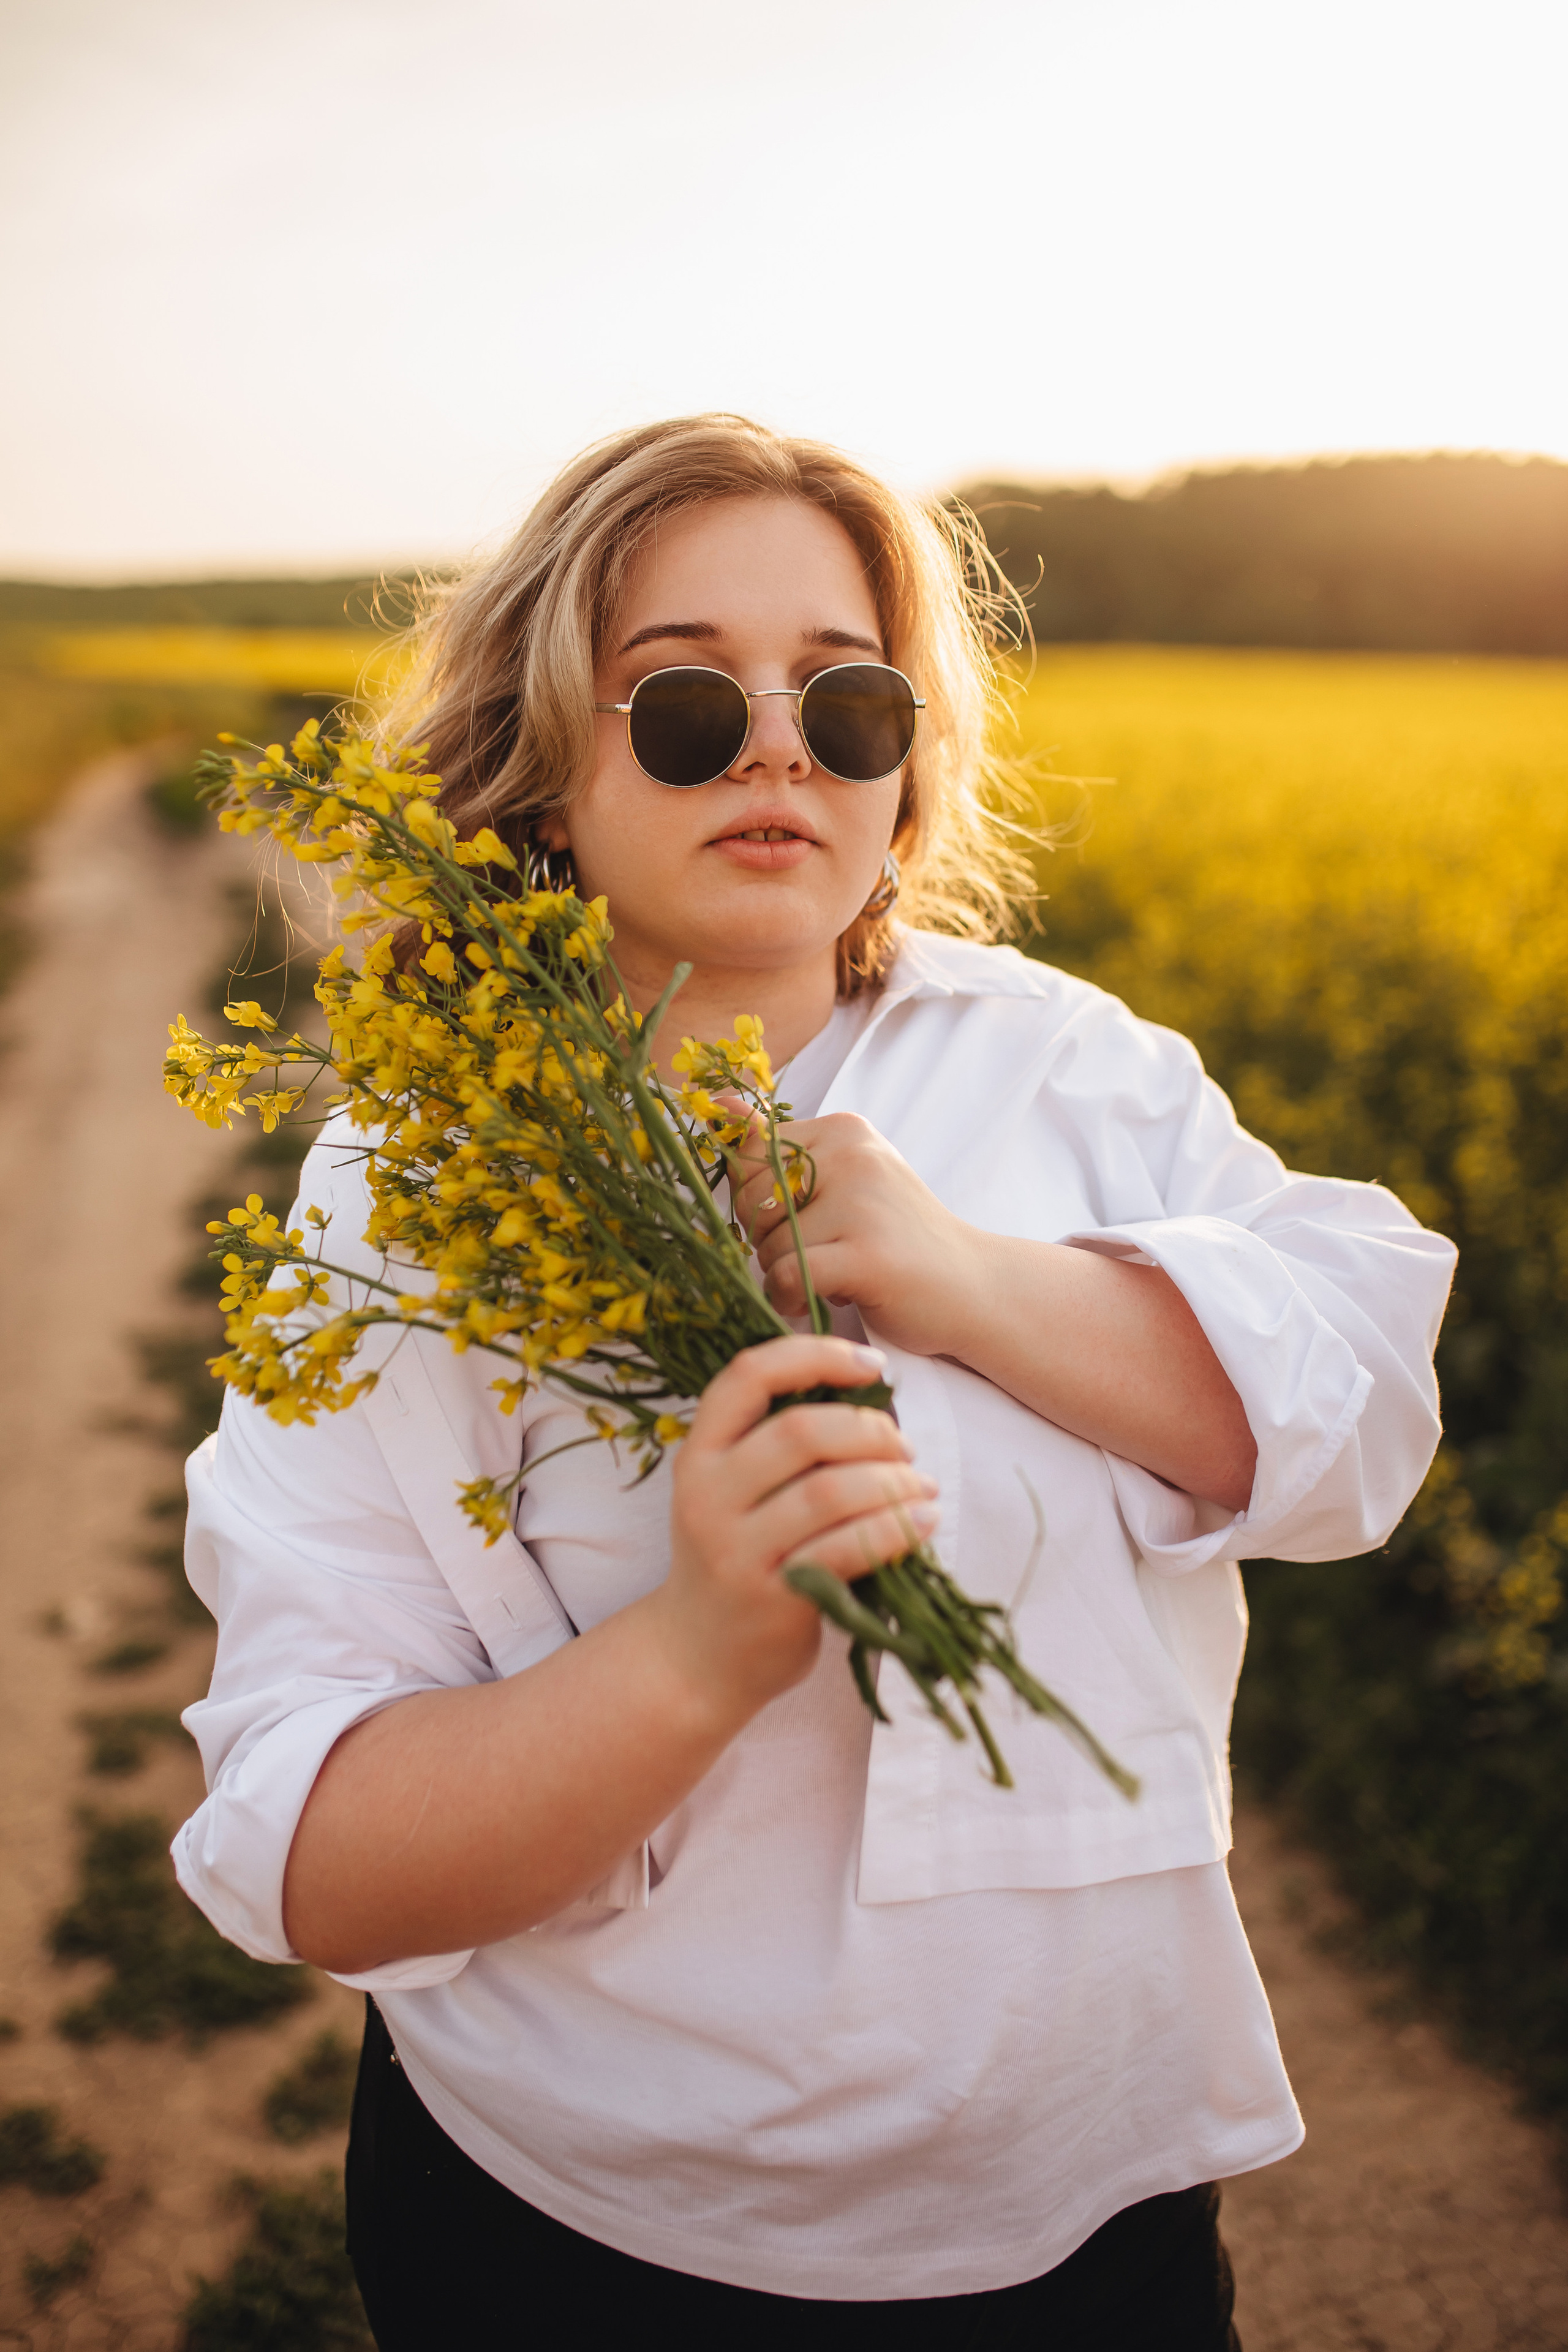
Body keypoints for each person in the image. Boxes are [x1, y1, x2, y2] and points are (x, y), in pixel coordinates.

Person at [173, 415, 1456, 2349]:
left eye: (847, 700)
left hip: (1086, 2215)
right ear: (543, 757)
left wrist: (973, 1285)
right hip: (579, 2232)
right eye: (684, 702)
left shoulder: (1074, 1072)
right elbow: (317, 1861)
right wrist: (691, 1656)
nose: (780, 745)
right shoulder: (399, 1195)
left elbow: (1364, 1424)